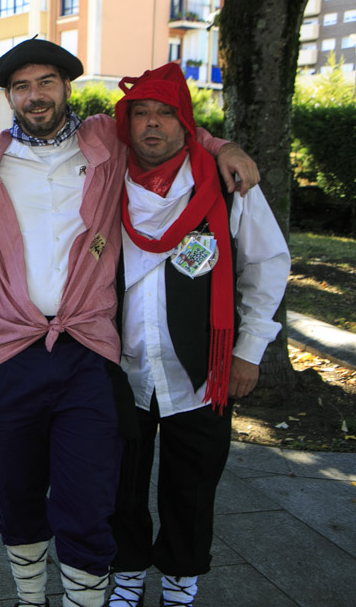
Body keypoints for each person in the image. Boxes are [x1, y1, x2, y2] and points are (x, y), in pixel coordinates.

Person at [0, 39, 258, 607]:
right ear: (9, 97)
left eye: (46, 82)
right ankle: (30, 597)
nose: (35, 96)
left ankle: (91, 596)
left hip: (87, 346)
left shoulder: (106, 140)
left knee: (88, 494)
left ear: (66, 87)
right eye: (22, 87)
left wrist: (223, 144)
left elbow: (168, 129)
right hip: (8, 348)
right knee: (17, 490)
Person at [106, 63, 289, 607]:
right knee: (119, 482)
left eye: (166, 113)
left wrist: (248, 351)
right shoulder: (103, 180)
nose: (152, 124)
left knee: (193, 484)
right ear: (126, 122)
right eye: (141, 113)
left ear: (187, 123)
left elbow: (267, 265)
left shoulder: (225, 183)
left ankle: (181, 579)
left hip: (203, 369)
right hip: (120, 364)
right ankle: (128, 573)